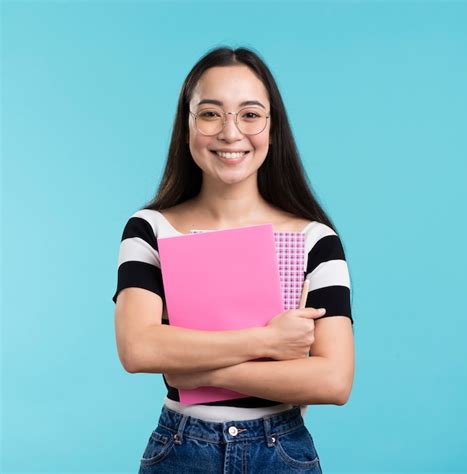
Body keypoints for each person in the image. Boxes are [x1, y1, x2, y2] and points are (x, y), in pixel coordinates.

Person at [112, 46, 355, 474]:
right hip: (181, 449)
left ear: (272, 128)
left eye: (249, 114)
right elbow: (138, 348)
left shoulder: (315, 239)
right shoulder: (150, 229)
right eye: (209, 114)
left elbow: (333, 381)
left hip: (283, 452)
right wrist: (267, 343)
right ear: (186, 127)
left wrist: (193, 372)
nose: (230, 132)